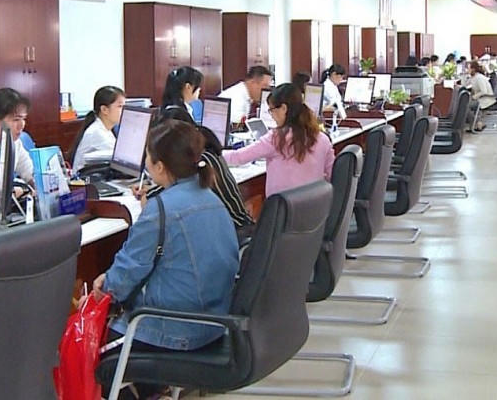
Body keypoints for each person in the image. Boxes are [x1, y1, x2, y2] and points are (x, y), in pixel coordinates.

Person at [91, 120, 238, 350]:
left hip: (174, 330)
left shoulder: (159, 210)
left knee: (94, 340)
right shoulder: (211, 199)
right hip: (216, 323)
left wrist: (104, 289)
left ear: (159, 166)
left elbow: (127, 271)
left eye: (148, 156)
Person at [136, 106, 254, 240]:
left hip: (235, 235)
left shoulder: (198, 162)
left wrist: (151, 191)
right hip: (236, 232)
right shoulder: (206, 153)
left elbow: (148, 201)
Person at [223, 83, 334, 198]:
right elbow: (332, 175)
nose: (271, 115)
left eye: (271, 110)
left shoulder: (276, 138)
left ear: (284, 108)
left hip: (283, 208)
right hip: (317, 206)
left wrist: (214, 154)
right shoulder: (323, 139)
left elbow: (238, 157)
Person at [68, 86, 125, 173]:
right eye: (120, 106)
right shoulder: (97, 133)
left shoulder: (104, 129)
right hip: (84, 180)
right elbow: (121, 160)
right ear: (104, 109)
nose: (124, 110)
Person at [466, 61, 495, 132]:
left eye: (468, 68)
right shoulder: (474, 77)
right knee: (466, 105)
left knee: (465, 106)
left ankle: (476, 124)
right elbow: (466, 85)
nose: (467, 70)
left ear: (473, 69)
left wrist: (474, 97)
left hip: (485, 99)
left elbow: (484, 91)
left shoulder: (479, 78)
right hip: (481, 98)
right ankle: (477, 123)